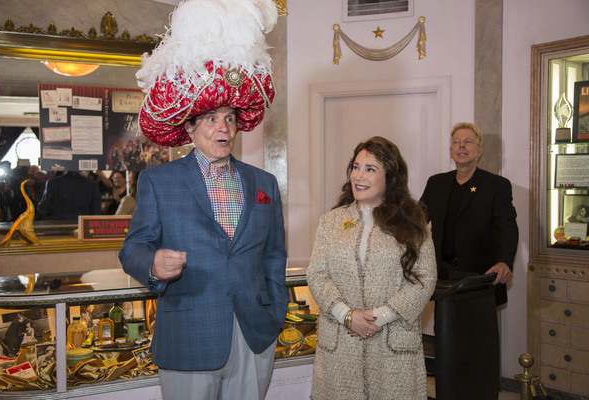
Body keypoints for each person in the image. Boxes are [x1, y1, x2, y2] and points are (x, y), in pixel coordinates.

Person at [119, 1, 286, 399]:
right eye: (211, 119)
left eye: (229, 118)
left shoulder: (263, 183)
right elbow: (133, 248)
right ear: (190, 128)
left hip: (254, 336)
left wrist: (274, 312)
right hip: (188, 337)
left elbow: (274, 256)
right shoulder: (159, 182)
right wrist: (154, 265)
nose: (223, 128)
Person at [307, 136, 437, 399]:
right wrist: (346, 315)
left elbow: (424, 278)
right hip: (340, 346)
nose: (359, 176)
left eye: (370, 169)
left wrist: (381, 316)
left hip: (392, 345)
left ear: (390, 177)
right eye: (356, 167)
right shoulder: (331, 222)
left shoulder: (413, 223)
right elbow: (317, 274)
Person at [419, 122, 519, 306]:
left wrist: (504, 262)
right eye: (456, 142)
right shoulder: (436, 184)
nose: (462, 145)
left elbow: (508, 229)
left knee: (478, 333)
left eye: (468, 142)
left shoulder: (496, 186)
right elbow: (416, 222)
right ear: (451, 151)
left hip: (480, 276)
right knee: (445, 331)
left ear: (479, 151)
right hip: (442, 276)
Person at [37, 171, 102, 220]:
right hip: (83, 226)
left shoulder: (52, 182)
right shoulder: (92, 184)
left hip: (58, 225)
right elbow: (97, 211)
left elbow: (43, 209)